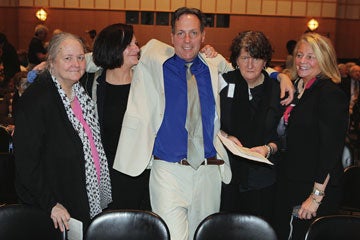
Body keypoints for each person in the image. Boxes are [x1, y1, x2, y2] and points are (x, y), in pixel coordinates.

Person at [112, 7, 294, 240]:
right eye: (180, 33)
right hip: (167, 170)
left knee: (204, 236)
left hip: (209, 171)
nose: (187, 40)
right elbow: (102, 55)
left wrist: (280, 76)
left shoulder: (214, 63)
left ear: (203, 36)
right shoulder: (153, 55)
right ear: (171, 36)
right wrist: (56, 64)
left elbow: (250, 68)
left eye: (193, 33)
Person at [14, 32, 112, 233]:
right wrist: (50, 204)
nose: (76, 64)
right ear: (51, 62)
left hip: (80, 198)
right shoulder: (37, 98)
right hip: (55, 209)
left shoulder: (79, 92)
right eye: (67, 58)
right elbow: (26, 162)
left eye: (80, 57)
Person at [273, 32, 348, 240]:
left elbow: (331, 151)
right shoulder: (299, 89)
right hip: (291, 180)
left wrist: (316, 197)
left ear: (324, 59)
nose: (302, 61)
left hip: (313, 187)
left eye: (310, 56)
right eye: (299, 55)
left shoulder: (330, 94)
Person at [81, 23, 150, 210]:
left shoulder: (146, 82)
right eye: (129, 45)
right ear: (114, 49)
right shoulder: (90, 84)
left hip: (139, 175)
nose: (137, 49)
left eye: (136, 43)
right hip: (102, 174)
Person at [219, 31, 283, 223]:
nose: (249, 64)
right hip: (228, 175)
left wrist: (268, 148)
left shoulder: (278, 90)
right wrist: (224, 135)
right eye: (244, 57)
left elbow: (285, 136)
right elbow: (207, 121)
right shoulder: (223, 82)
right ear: (236, 60)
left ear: (265, 62)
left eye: (256, 58)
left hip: (264, 179)